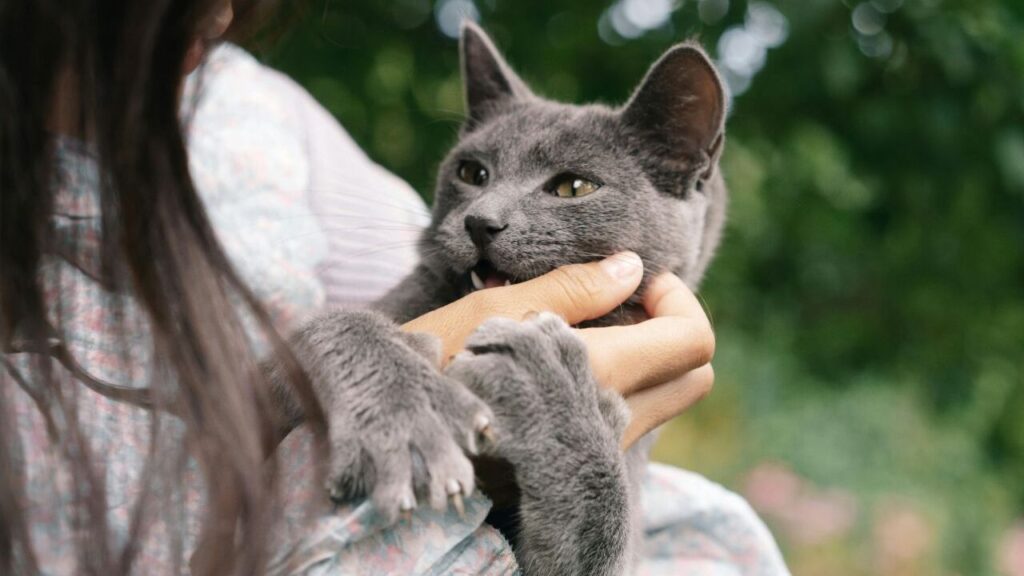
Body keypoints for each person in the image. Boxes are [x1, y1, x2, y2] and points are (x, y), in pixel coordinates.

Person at [0, 1, 789, 574]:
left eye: (571, 187)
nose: (486, 212)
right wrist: (355, 344)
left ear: (685, 171)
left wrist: (582, 460)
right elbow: (250, 412)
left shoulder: (271, 126)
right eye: (474, 171)